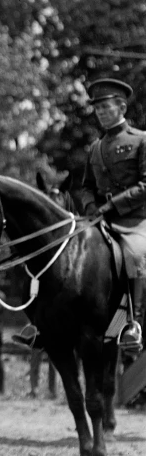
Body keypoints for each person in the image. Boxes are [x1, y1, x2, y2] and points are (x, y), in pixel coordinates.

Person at [78, 77, 146, 355]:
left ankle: (132, 323)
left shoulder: (141, 140)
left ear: (121, 107)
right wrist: (90, 206)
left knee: (133, 255)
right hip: (100, 221)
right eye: (98, 109)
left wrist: (112, 205)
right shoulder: (95, 148)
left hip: (135, 220)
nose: (101, 113)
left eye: (106, 107)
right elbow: (84, 187)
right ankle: (48, 320)